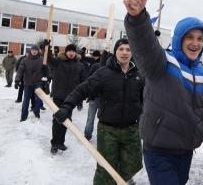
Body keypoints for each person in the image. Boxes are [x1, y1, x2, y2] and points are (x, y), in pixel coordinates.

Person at [122, 0, 203, 185]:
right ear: (179, 39)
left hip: (185, 152)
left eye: (200, 39)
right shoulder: (163, 63)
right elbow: (144, 44)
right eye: (190, 37)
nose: (195, 43)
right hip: (158, 151)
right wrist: (137, 17)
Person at [54, 39, 144, 184]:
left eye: (128, 49)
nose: (125, 52)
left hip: (131, 128)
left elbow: (148, 99)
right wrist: (66, 106)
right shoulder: (104, 73)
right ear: (115, 52)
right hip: (108, 130)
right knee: (105, 169)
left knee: (134, 164)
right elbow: (82, 89)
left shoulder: (139, 75)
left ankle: (120, 179)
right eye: (121, 49)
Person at [45, 43, 87, 154]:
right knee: (57, 119)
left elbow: (83, 82)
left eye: (73, 51)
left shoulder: (80, 65)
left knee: (66, 120)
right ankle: (54, 143)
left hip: (71, 98)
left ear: (75, 52)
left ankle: (61, 142)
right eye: (69, 51)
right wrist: (47, 47)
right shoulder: (58, 62)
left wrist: (81, 98)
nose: (71, 53)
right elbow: (48, 59)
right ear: (66, 52)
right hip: (58, 96)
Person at [15, 45, 44, 121]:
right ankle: (23, 117)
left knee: (39, 99)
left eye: (36, 50)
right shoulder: (25, 60)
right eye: (33, 50)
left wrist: (47, 78)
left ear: (38, 51)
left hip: (38, 83)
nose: (34, 51)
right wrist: (17, 80)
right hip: (27, 83)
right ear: (30, 51)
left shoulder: (42, 60)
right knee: (26, 101)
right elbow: (20, 71)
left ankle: (36, 113)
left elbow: (47, 69)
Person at [83, 50, 102, 141]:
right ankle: (100, 135)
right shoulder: (108, 68)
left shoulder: (94, 66)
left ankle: (87, 134)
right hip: (101, 97)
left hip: (95, 96)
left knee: (90, 117)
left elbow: (88, 80)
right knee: (102, 119)